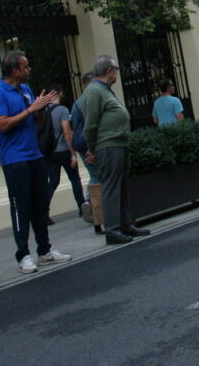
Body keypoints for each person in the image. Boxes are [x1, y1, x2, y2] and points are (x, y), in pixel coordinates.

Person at [0, 50, 71, 273]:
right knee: (20, 207)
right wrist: (30, 109)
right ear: (15, 70)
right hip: (15, 159)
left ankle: (44, 250)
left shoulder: (25, 90)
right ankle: (23, 254)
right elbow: (3, 124)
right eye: (25, 66)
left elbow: (35, 117)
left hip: (35, 155)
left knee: (40, 206)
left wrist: (40, 107)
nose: (29, 69)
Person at [82, 55, 147, 245]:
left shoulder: (104, 90)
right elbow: (91, 124)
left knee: (122, 187)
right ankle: (113, 229)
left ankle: (126, 224)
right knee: (111, 188)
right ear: (109, 71)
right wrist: (92, 148)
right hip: (108, 145)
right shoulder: (95, 91)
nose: (117, 73)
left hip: (118, 143)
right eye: (116, 70)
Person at [43, 87, 84, 225]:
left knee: (53, 182)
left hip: (49, 152)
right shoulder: (62, 110)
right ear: (59, 93)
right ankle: (82, 207)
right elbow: (67, 132)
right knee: (74, 179)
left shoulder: (42, 111)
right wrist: (72, 152)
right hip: (63, 150)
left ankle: (43, 213)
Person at [64, 71, 98, 230]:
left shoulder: (76, 103)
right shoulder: (93, 98)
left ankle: (88, 202)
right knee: (99, 175)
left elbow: (72, 128)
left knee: (93, 174)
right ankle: (93, 205)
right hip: (93, 142)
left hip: (80, 143)